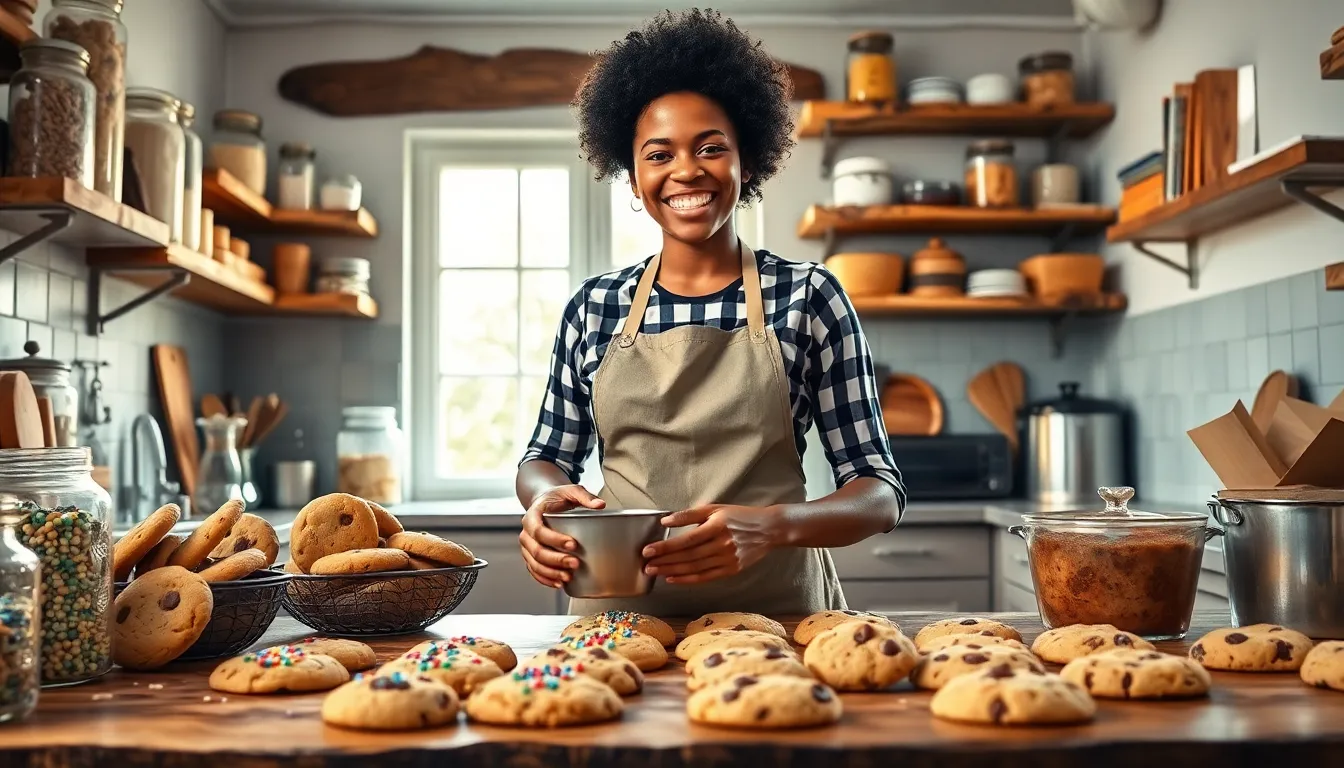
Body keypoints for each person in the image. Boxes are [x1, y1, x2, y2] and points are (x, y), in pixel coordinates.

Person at [515, 8, 905, 616]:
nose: (686, 171)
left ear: (746, 162)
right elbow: (546, 459)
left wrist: (773, 526)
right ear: (633, 175)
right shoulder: (595, 307)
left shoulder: (809, 297)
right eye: (658, 154)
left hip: (777, 622)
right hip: (618, 621)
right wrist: (544, 502)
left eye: (711, 148)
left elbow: (879, 492)